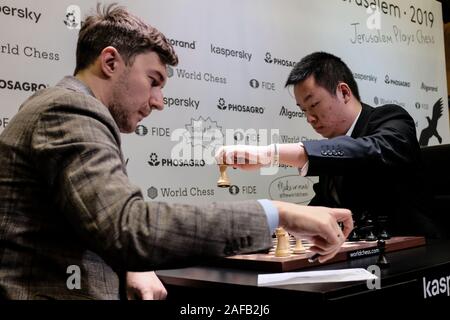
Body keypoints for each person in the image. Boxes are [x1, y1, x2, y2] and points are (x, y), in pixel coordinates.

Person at [0, 6, 353, 300]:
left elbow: (97, 223)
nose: (159, 102)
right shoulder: (70, 110)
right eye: (153, 81)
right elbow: (129, 227)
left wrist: (132, 266)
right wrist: (277, 213)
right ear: (110, 62)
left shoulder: (65, 108)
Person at [217, 51, 441, 239]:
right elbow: (322, 207)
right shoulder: (333, 146)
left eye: (314, 104)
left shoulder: (392, 119)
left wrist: (273, 153)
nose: (310, 118)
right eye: (304, 110)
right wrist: (279, 228)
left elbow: (372, 151)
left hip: (415, 253)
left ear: (344, 92)